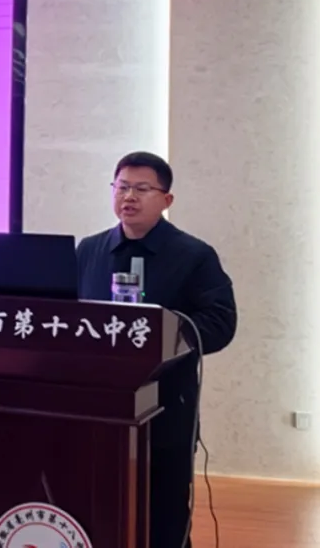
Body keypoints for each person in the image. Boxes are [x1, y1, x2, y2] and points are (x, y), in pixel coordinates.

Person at [75, 151, 237, 548]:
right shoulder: (89, 250)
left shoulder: (194, 255)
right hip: (99, 408)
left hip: (166, 407)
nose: (129, 196)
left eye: (142, 189)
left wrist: (162, 333)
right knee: (99, 509)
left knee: (163, 515)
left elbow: (221, 323)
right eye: (122, 187)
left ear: (166, 199)